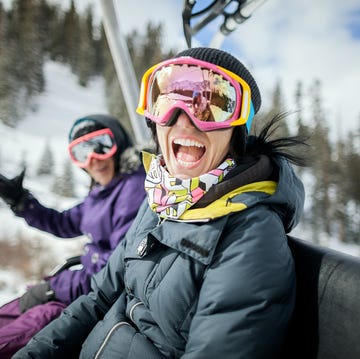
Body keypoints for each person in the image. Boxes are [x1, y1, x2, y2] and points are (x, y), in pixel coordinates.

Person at [14, 47, 306, 359]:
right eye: (166, 100)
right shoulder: (158, 200)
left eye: (210, 105)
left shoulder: (250, 237)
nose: (184, 122)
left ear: (237, 130)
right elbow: (97, 298)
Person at [0, 114, 146, 357]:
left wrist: (54, 288)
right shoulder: (101, 193)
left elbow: (114, 272)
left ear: (119, 145)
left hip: (84, 301)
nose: (93, 160)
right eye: (82, 152)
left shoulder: (132, 189)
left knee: (17, 333)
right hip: (75, 289)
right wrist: (23, 202)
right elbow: (64, 222)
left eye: (102, 147)